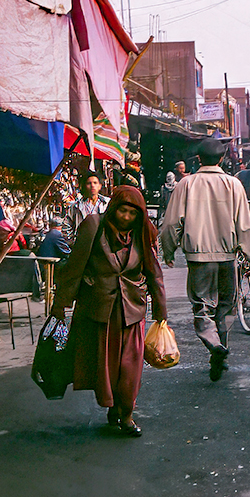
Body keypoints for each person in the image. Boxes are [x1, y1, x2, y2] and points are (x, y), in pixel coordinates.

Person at [51, 186, 167, 436]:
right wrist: (60, 304)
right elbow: (75, 267)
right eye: (122, 211)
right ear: (113, 208)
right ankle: (114, 409)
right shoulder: (94, 225)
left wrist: (161, 311)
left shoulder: (144, 231)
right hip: (100, 309)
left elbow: (153, 271)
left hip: (133, 309)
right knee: (107, 366)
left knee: (131, 366)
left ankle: (126, 415)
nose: (126, 217)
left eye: (132, 213)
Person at [160, 138, 250, 381]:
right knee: (226, 306)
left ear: (199, 159)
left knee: (203, 307)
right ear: (222, 159)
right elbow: (245, 225)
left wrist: (169, 251)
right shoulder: (233, 184)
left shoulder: (186, 184)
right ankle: (220, 348)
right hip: (227, 257)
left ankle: (214, 344)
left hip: (198, 258)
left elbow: (171, 224)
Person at [65, 171, 111, 245]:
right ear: (85, 186)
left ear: (100, 186)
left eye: (95, 183)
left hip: (102, 244)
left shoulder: (107, 203)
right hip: (83, 244)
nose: (92, 185)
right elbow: (67, 225)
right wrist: (73, 243)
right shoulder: (76, 206)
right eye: (89, 183)